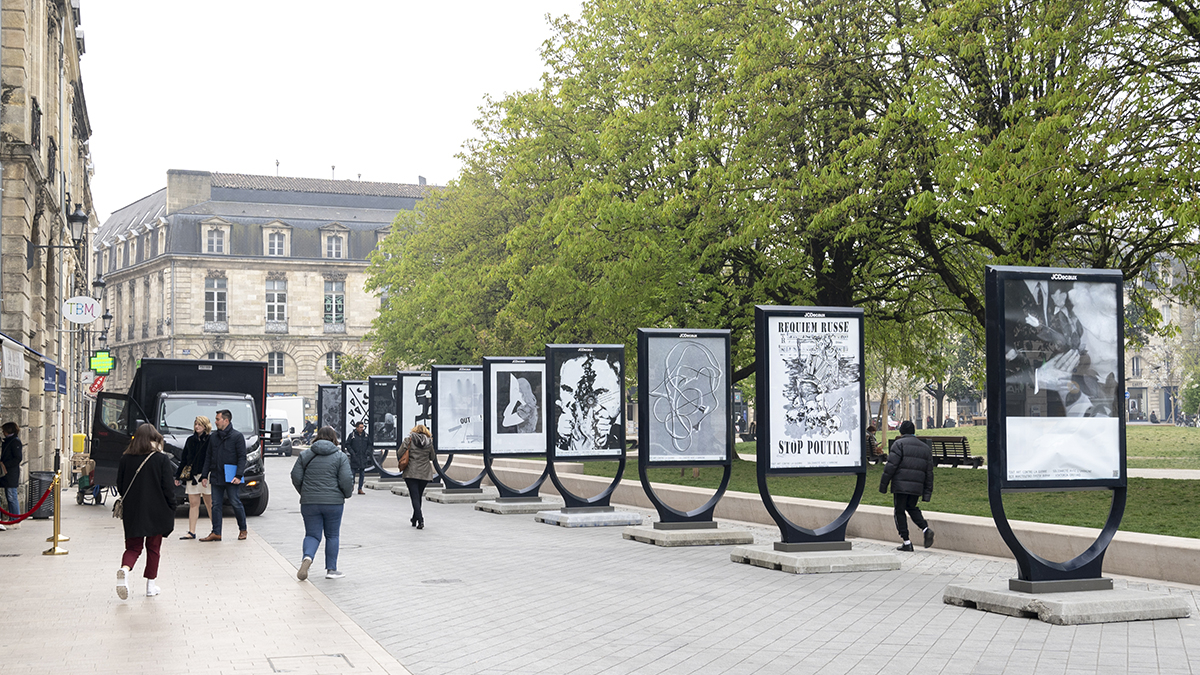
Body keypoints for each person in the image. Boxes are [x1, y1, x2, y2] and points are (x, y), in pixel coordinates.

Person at [116, 423, 178, 599]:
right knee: (153, 548)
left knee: (133, 547)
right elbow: (168, 488)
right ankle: (151, 586)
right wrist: (172, 505)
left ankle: (125, 570)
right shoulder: (161, 459)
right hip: (156, 511)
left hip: (133, 510)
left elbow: (120, 485)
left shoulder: (125, 458)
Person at [291, 426, 352, 580]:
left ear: (318, 437)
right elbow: (346, 479)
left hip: (309, 502)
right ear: (334, 438)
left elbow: (295, 476)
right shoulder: (340, 456)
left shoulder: (305, 455)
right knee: (332, 536)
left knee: (312, 534)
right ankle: (331, 570)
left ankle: (308, 557)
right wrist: (346, 494)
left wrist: (304, 492)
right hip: (333, 503)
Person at [879, 420, 935, 552]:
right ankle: (925, 528)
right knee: (911, 507)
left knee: (899, 510)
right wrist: (927, 493)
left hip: (901, 484)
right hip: (917, 486)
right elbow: (929, 473)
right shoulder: (925, 448)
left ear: (901, 431)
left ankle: (906, 541)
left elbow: (891, 466)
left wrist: (884, 485)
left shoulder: (899, 444)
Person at [200, 409, 248, 542]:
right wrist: (204, 475)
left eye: (217, 419)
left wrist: (238, 475)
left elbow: (242, 458)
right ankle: (216, 532)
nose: (215, 422)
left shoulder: (237, 436)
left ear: (226, 420)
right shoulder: (213, 437)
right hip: (216, 475)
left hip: (232, 477)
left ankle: (243, 529)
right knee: (215, 505)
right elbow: (208, 457)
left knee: (235, 502)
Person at [174, 416, 214, 540]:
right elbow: (184, 459)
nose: (197, 427)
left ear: (206, 425)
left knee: (210, 504)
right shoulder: (190, 440)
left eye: (200, 424)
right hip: (192, 476)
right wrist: (178, 475)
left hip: (206, 475)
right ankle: (191, 531)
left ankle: (215, 529)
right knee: (193, 504)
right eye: (196, 424)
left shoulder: (211, 440)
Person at [400, 425, 435, 529]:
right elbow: (432, 457)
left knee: (415, 496)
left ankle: (420, 520)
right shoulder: (429, 442)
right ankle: (414, 518)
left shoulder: (408, 440)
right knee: (418, 496)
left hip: (411, 472)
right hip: (424, 473)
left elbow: (399, 452)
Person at [1, 422, 23, 530]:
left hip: (11, 473)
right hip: (8, 474)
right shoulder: (9, 441)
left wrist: (5, 464)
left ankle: (15, 520)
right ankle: (12, 519)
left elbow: (18, 458)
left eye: (4, 430)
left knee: (11, 496)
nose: (3, 432)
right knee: (9, 496)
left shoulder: (15, 442)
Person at [345, 422, 372, 495]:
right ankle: (351, 486)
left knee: (362, 473)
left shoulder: (366, 436)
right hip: (355, 457)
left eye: (362, 427)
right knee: (352, 473)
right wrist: (352, 453)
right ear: (356, 428)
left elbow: (370, 444)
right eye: (360, 427)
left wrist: (367, 452)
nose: (362, 429)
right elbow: (347, 444)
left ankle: (360, 488)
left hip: (363, 457)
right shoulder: (352, 435)